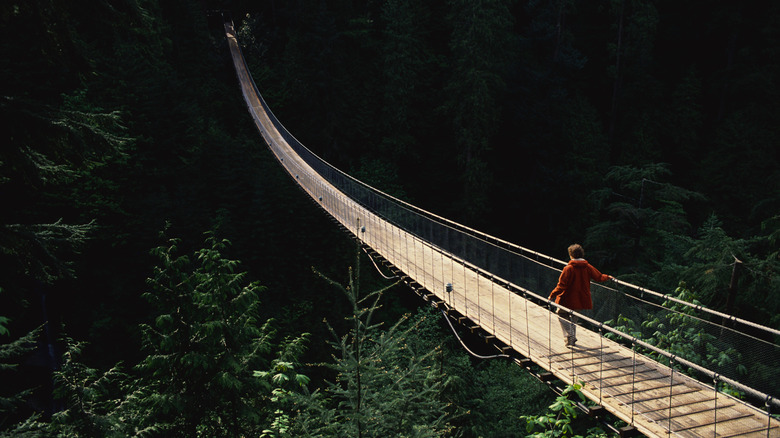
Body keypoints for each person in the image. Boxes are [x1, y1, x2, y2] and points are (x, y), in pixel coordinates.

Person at [549, 244, 612, 347]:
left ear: (571, 255)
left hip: (567, 299)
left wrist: (552, 295)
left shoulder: (568, 268)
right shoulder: (587, 267)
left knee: (561, 314)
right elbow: (599, 277)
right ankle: (571, 339)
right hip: (581, 299)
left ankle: (570, 335)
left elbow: (561, 286)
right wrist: (608, 277)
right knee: (573, 318)